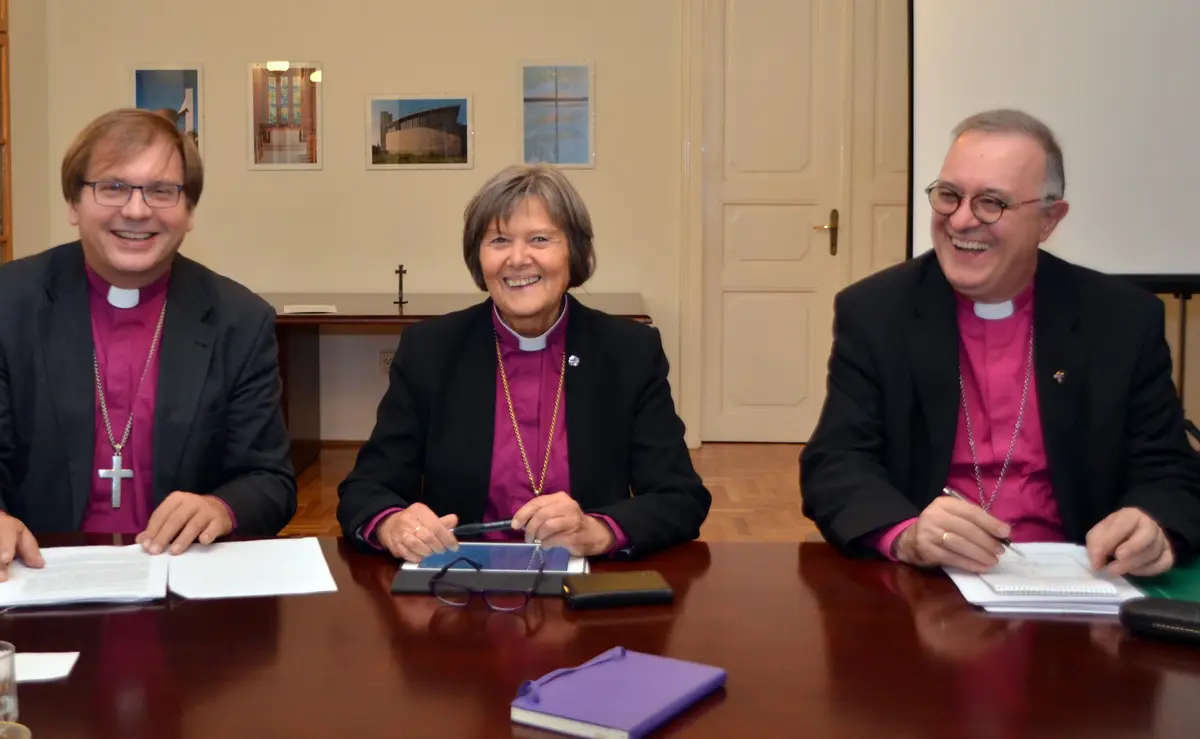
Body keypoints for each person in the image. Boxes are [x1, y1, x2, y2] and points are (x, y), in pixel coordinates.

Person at [800, 108, 1200, 577]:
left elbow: (1169, 469)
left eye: (992, 203)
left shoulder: (1121, 320)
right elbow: (836, 464)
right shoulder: (875, 311)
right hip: (927, 586)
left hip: (1084, 586)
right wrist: (907, 535)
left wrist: (1153, 524)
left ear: (1049, 220)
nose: (962, 220)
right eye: (949, 196)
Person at [0, 108, 297, 582]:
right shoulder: (4, 304)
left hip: (180, 580)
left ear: (189, 212)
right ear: (74, 205)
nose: (137, 210)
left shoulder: (239, 319)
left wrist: (221, 508)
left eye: (162, 191)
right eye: (112, 187)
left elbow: (269, 480)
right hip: (30, 574)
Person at [338, 163, 710, 561]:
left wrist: (599, 531)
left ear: (575, 252)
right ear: (478, 258)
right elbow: (366, 488)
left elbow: (681, 497)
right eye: (498, 240)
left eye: (540, 239)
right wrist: (394, 523)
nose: (518, 259)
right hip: (460, 585)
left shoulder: (628, 352)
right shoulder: (431, 350)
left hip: (586, 591)